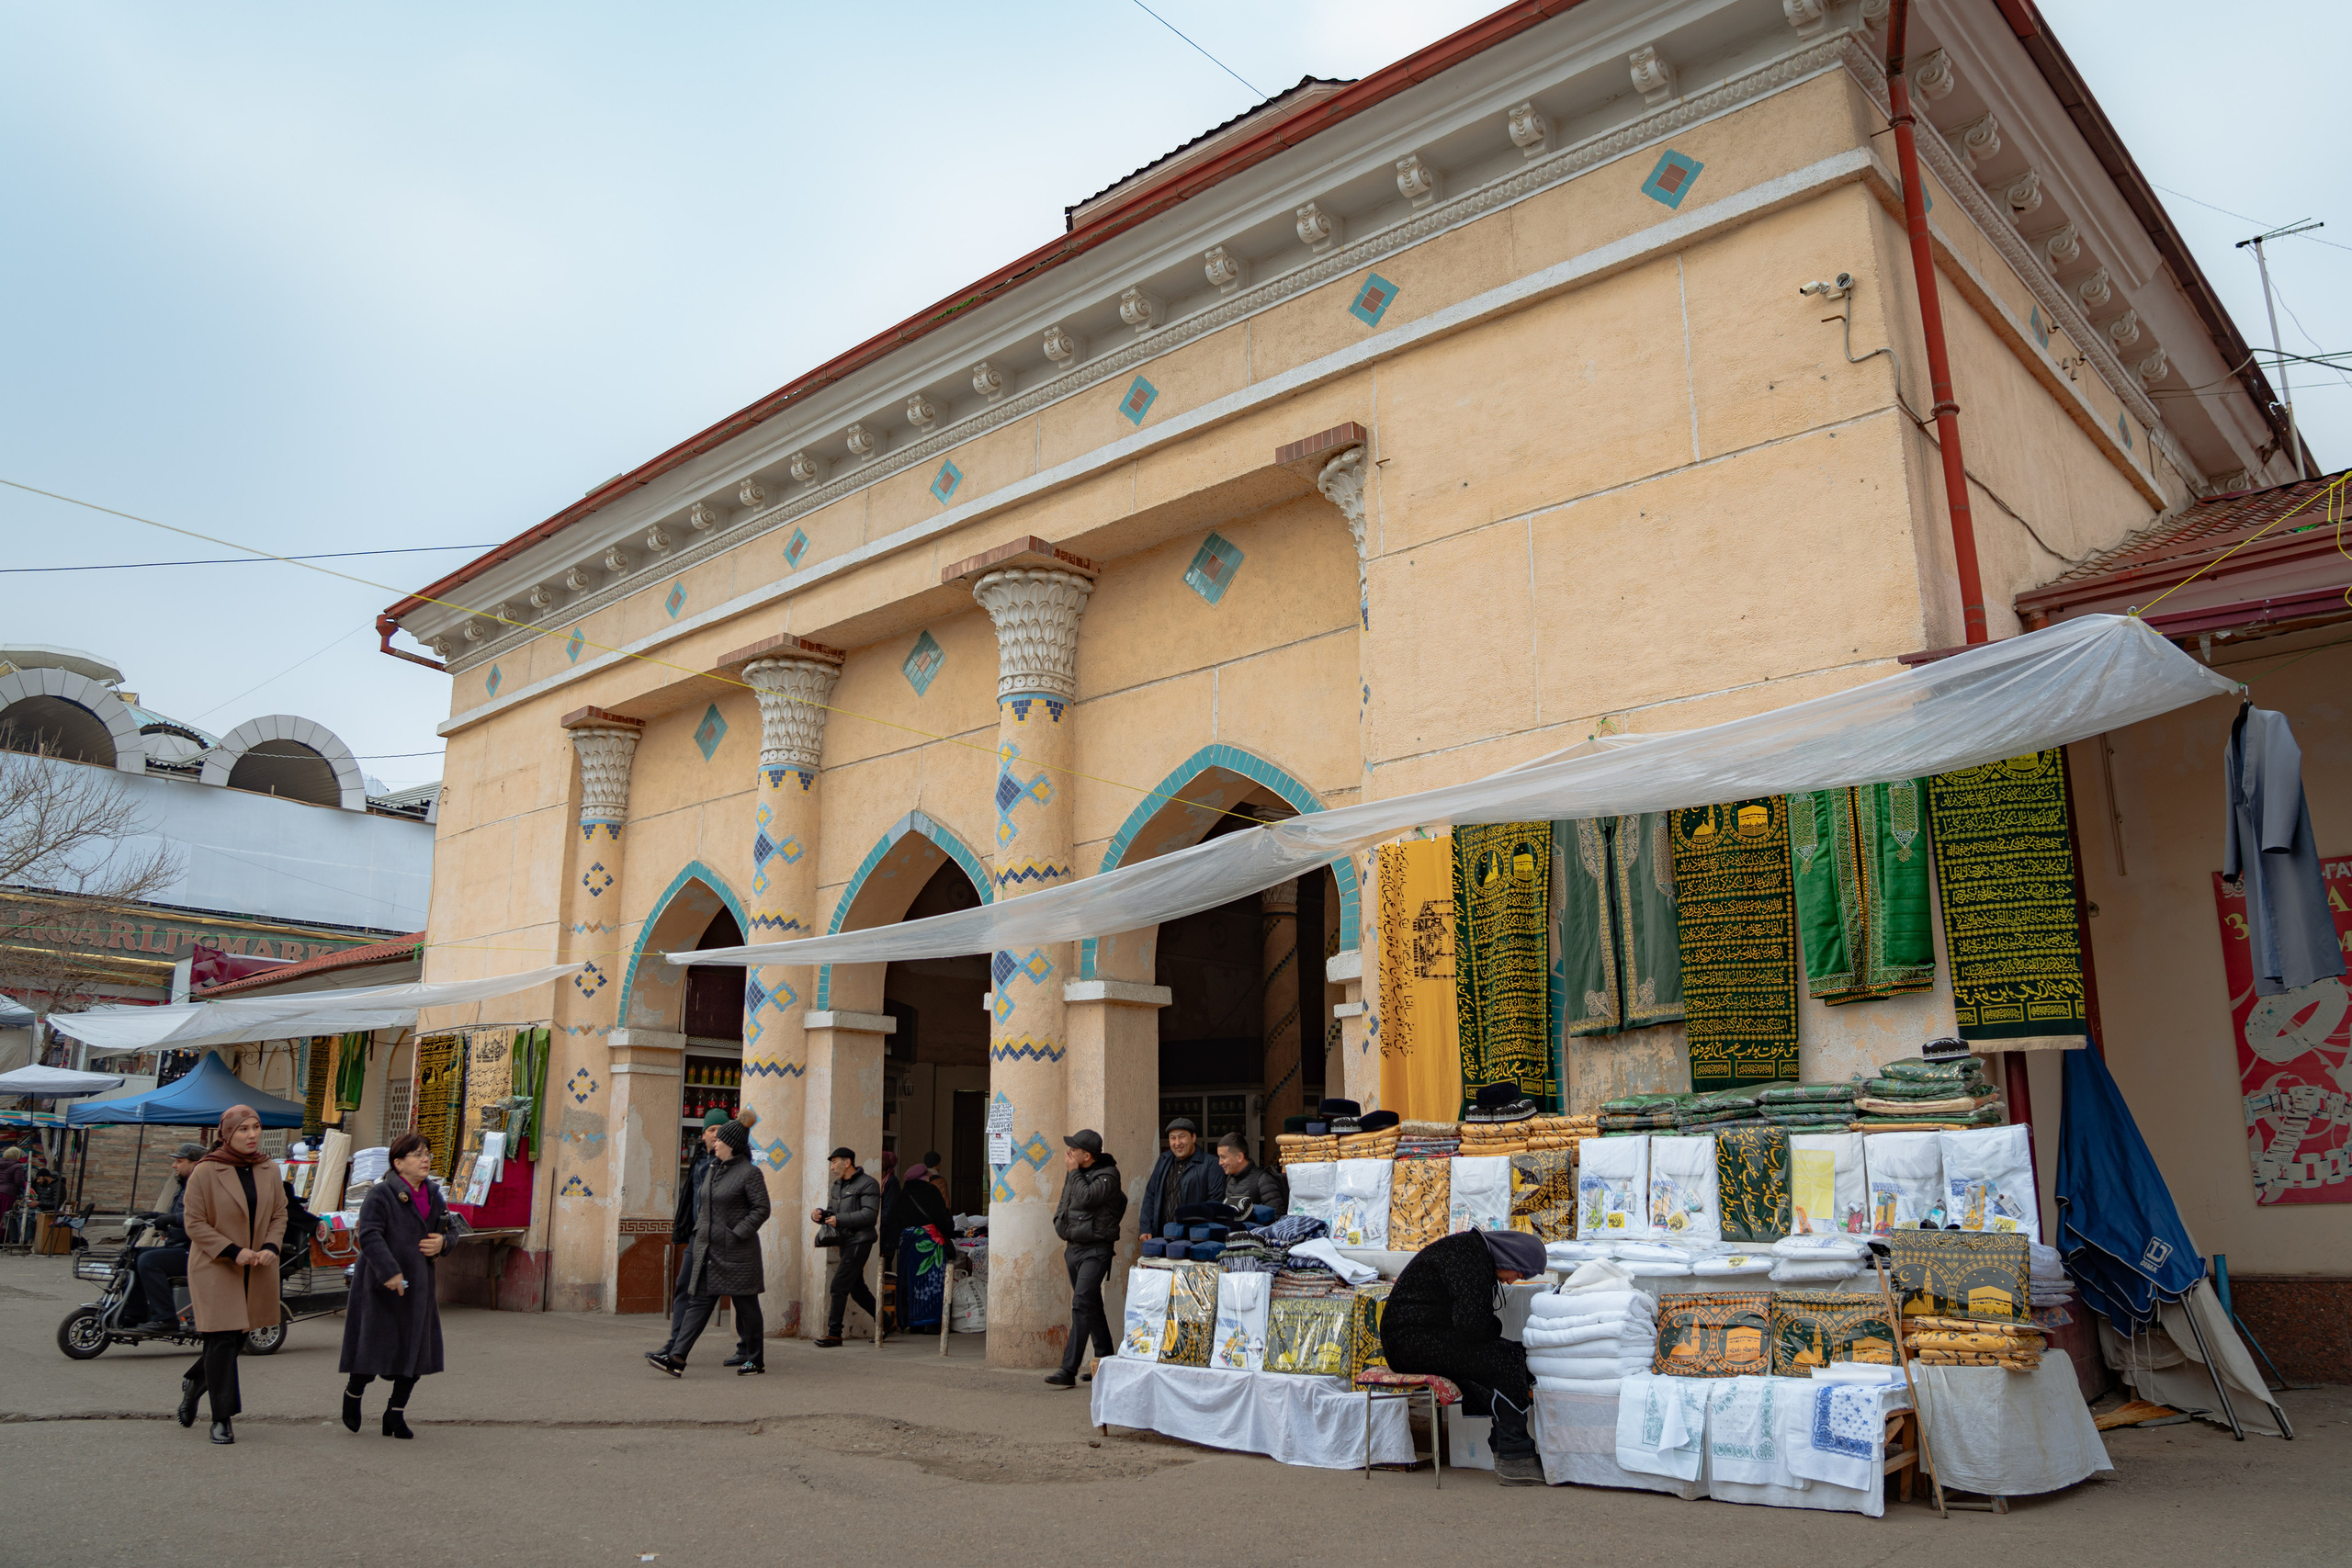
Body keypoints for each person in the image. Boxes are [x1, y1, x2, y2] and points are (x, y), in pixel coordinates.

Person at [1379, 1228, 1548, 1485]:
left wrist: (1490, 1329)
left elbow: (1472, 1326)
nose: (1513, 1281)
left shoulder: (1473, 1252)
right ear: (1512, 1259)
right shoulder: (1469, 1256)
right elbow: (1473, 1326)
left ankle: (1512, 1452)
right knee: (1505, 1360)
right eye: (1520, 1273)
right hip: (1410, 1343)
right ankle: (1515, 1457)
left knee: (1512, 1355)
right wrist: (1494, 1327)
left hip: (1422, 1338)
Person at [176, 1105, 287, 1444]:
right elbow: (194, 1223)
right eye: (243, 1129)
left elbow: (280, 1213)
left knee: (237, 1339)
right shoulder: (206, 1171)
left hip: (257, 1266)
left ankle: (195, 1381)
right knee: (222, 1339)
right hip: (216, 1264)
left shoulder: (269, 1169)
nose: (252, 1135)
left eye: (256, 1127)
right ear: (227, 1134)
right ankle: (221, 1418)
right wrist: (232, 1250)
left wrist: (271, 1246)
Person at [340, 1133, 448, 1437]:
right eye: (418, 1154)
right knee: (373, 1349)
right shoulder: (381, 1194)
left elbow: (450, 1229)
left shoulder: (434, 1194)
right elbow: (369, 1235)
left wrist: (443, 1242)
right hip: (380, 1284)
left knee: (414, 1353)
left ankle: (395, 1413)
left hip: (419, 1285)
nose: (425, 1159)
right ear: (399, 1163)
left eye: (427, 1153)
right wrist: (389, 1271)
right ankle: (353, 1393)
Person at [648, 1119, 771, 1375]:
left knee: (747, 1306)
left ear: (732, 1145)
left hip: (738, 1252)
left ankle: (755, 1359)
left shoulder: (749, 1173)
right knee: (699, 1302)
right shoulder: (713, 1169)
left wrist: (737, 1233)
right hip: (709, 1250)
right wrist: (700, 1233)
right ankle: (677, 1357)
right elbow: (704, 1207)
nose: (715, 1143)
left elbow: (761, 1209)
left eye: (720, 1139)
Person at [1045, 1130, 1125, 1390]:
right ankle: (1105, 1361)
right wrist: (1059, 1223)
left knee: (1081, 1302)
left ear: (1087, 1155)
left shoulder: (1109, 1175)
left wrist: (1073, 1173)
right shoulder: (1075, 1173)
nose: (1068, 1154)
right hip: (1074, 1247)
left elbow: (1087, 1198)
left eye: (1073, 1150)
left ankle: (1068, 1369)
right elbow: (1066, 1201)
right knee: (1091, 1304)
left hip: (1097, 1249)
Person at [660, 1110, 729, 1358]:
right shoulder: (698, 1161)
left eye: (721, 1129)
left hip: (723, 1237)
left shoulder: (732, 1162)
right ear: (703, 1135)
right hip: (697, 1236)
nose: (716, 1134)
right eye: (712, 1129)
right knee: (684, 1286)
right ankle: (674, 1344)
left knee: (742, 1295)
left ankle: (747, 1350)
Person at [128, 1143, 206, 1330]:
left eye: (179, 1161)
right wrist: (153, 1216)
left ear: (195, 1164)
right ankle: (134, 1313)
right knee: (131, 1256)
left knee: (149, 1261)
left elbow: (203, 1218)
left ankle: (165, 1318)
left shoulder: (203, 1187)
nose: (174, 1165)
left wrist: (172, 1219)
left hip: (195, 1251)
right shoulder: (184, 1186)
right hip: (177, 1245)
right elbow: (179, 1214)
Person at [809, 1146, 879, 1347]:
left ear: (847, 1162)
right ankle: (886, 1321)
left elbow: (870, 1215)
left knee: (838, 1286)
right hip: (845, 1240)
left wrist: (839, 1219)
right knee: (857, 1289)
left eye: (834, 1162)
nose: (832, 1168)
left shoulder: (868, 1184)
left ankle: (835, 1334)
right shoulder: (837, 1186)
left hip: (860, 1240)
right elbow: (832, 1212)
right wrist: (820, 1215)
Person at [1137, 1118, 1218, 1238]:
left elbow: (1215, 1201)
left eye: (1182, 1137)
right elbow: (1151, 1194)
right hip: (1162, 1237)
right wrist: (1146, 1228)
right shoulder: (1164, 1160)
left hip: (1195, 1238)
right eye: (1173, 1138)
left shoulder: (1211, 1163)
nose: (1177, 1143)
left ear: (1193, 1137)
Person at [1214, 1131, 1284, 1218]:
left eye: (1223, 1157)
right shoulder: (1229, 1179)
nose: (1220, 1162)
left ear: (1239, 1157)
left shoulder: (1263, 1180)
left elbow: (1277, 1217)